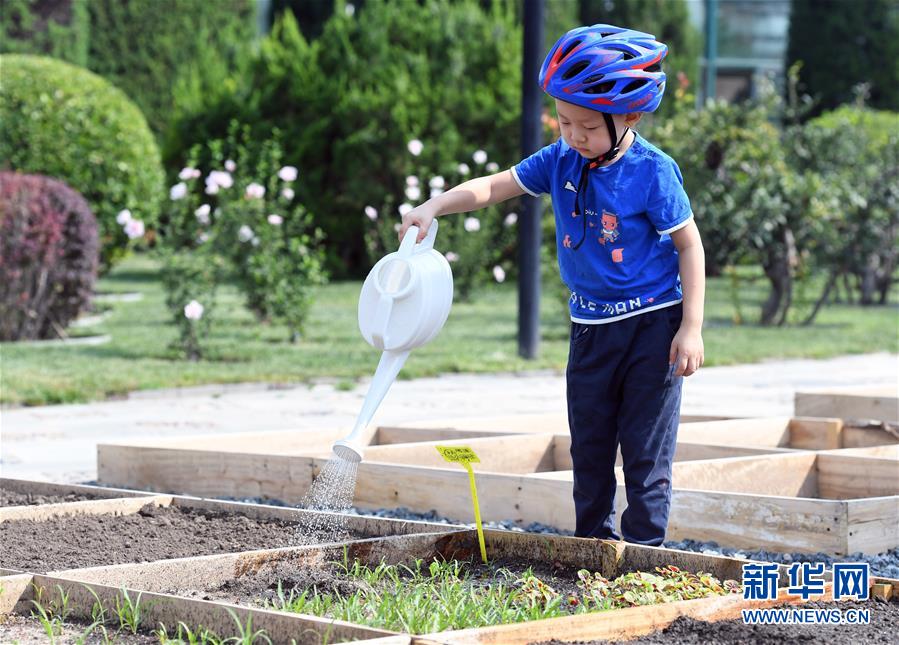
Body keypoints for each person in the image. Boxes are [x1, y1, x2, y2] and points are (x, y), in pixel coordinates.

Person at [398, 24, 705, 546]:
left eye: (586, 125)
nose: (573, 135)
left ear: (629, 115)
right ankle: (593, 551)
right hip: (590, 328)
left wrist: (692, 328)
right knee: (588, 450)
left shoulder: (654, 172)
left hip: (654, 328)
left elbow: (689, 246)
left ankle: (644, 561)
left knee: (645, 454)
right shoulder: (561, 158)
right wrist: (435, 206)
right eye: (564, 121)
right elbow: (495, 186)